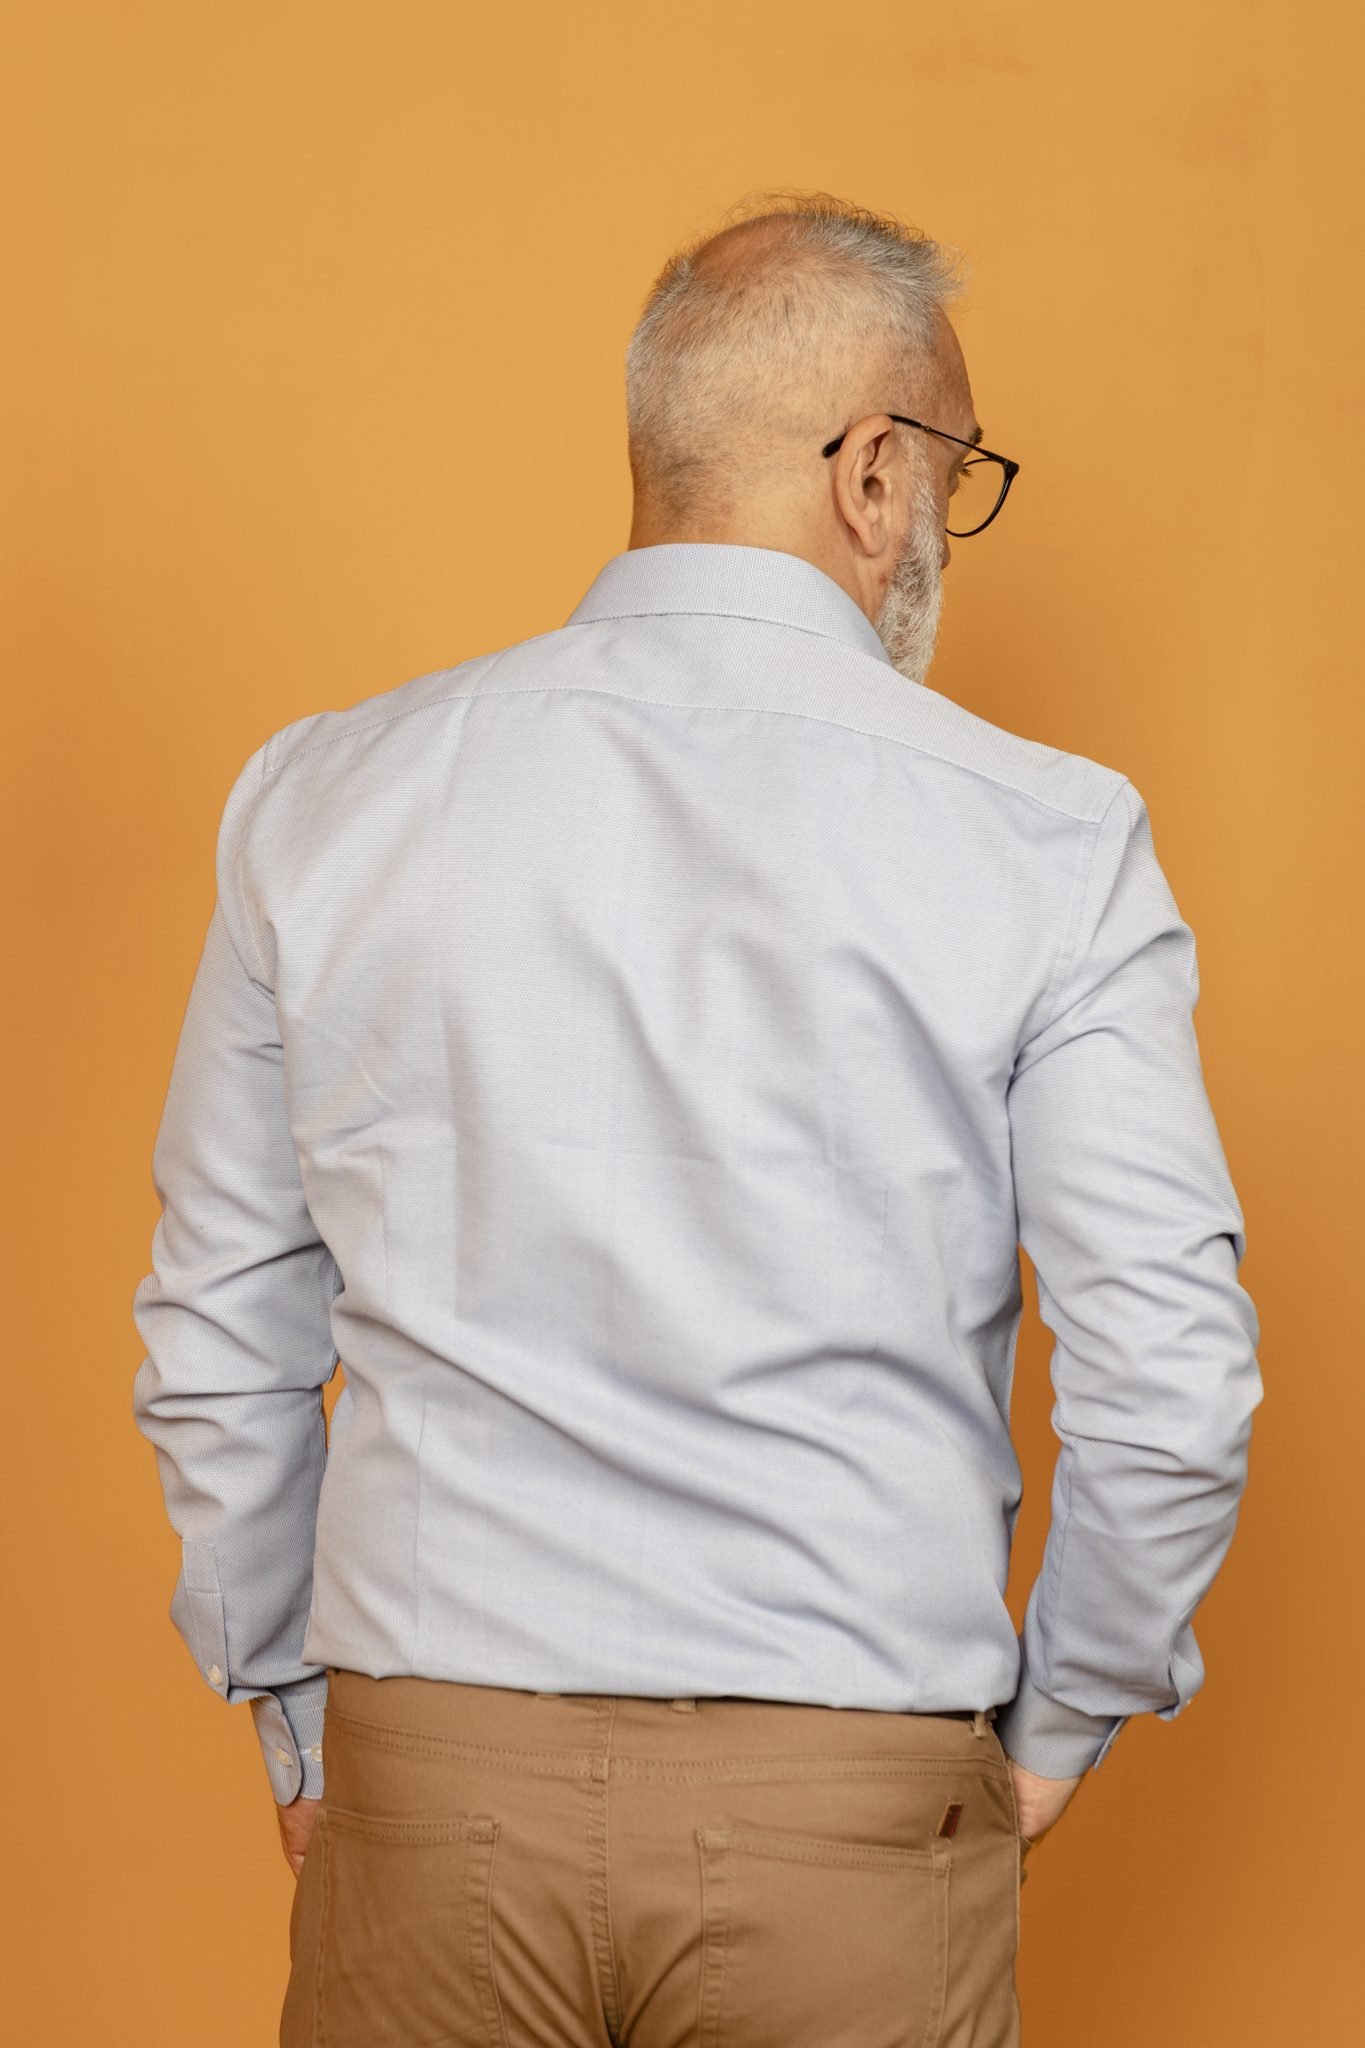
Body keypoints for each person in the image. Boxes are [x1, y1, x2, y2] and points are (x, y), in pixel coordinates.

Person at [132, 190, 1263, 2047]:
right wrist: (1060, 1721)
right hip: (856, 1806)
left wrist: (297, 1710)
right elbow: (1169, 1377)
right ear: (873, 473)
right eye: (954, 475)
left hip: (430, 1784)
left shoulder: (323, 796)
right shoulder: (1049, 837)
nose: (942, 526)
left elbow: (218, 1327)